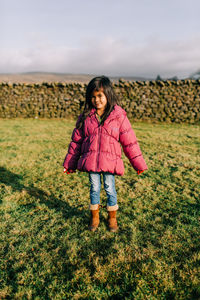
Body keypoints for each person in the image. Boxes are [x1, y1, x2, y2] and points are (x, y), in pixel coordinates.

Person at [63, 76, 148, 232]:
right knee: (94, 188)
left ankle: (112, 217)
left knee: (109, 188)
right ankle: (94, 216)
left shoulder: (119, 116)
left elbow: (130, 142)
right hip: (91, 161)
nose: (97, 100)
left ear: (108, 95)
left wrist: (139, 164)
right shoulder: (85, 117)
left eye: (100, 95)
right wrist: (69, 164)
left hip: (110, 162)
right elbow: (76, 142)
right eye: (93, 96)